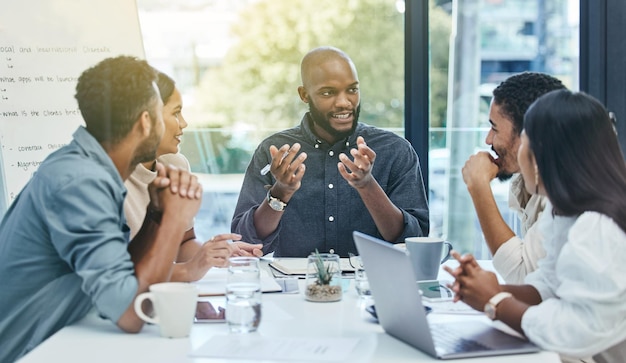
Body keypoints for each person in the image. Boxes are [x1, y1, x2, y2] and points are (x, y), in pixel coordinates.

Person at [0, 56, 202, 362]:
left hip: (64, 340)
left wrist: (157, 215)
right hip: (30, 352)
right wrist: (175, 218)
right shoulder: (80, 182)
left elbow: (124, 275)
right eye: (165, 114)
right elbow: (132, 312)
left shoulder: (89, 168)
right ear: (146, 122)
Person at [446, 90, 626, 362]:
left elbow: (579, 330)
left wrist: (494, 302)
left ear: (541, 157)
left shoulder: (596, 226)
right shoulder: (566, 214)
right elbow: (549, 287)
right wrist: (486, 288)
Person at [232, 46, 429, 257]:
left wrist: (367, 185)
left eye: (352, 90)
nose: (344, 103)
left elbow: (414, 241)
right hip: (295, 288)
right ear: (304, 95)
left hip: (371, 287)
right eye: (328, 93)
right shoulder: (275, 152)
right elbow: (245, 241)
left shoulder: (395, 150)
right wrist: (281, 192)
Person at [124, 70, 262, 282]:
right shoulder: (106, 178)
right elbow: (118, 276)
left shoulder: (175, 164)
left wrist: (214, 254)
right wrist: (190, 269)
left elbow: (183, 244)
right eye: (176, 113)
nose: (184, 123)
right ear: (146, 117)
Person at [462, 72, 566, 283]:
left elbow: (523, 275)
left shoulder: (564, 189)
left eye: (494, 128)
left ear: (529, 134)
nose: (488, 139)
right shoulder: (527, 181)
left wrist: (479, 186)